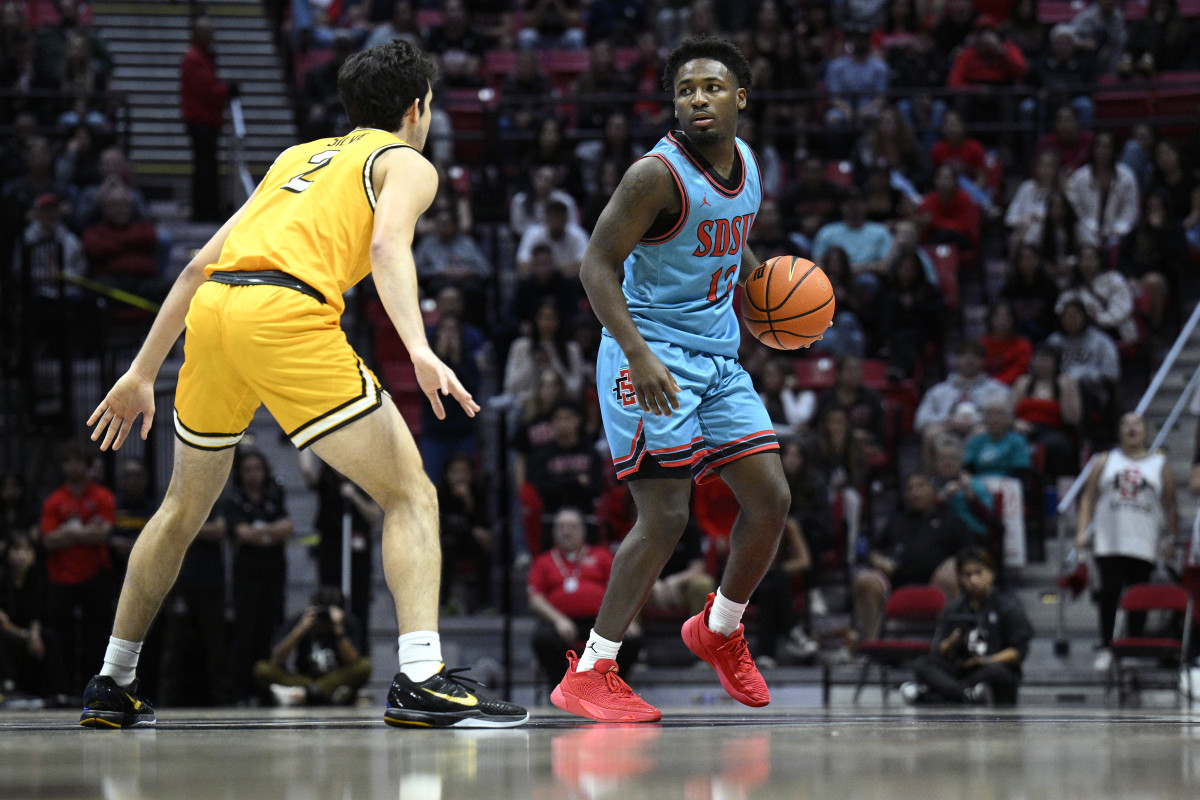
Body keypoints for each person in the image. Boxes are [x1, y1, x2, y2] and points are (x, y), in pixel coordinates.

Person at [77, 40, 527, 728]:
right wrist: (420, 348)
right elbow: (386, 249)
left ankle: (112, 680)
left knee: (180, 509)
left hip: (217, 313)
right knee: (411, 494)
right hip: (285, 314)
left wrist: (143, 370)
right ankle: (420, 676)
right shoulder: (405, 160)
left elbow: (200, 263)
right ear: (418, 108)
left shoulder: (296, 157)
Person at [552, 36, 789, 723]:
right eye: (686, 90)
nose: (698, 99)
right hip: (646, 356)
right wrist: (639, 354)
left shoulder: (748, 164)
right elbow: (595, 266)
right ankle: (592, 669)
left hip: (717, 358)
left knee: (771, 498)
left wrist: (760, 282)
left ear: (740, 97)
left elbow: (728, 229)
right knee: (664, 516)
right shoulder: (653, 175)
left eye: (712, 88)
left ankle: (718, 628)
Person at [1076, 412, 1178, 674]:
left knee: (1139, 595)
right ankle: (1107, 647)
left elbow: (1170, 505)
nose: (1132, 428)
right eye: (1126, 424)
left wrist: (1171, 537)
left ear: (1145, 431)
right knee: (1109, 593)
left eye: (1137, 424)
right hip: (1110, 539)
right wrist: (1081, 531)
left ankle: (1133, 646)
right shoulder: (1105, 460)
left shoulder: (1159, 464)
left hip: (1144, 539)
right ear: (1119, 431)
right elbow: (1088, 498)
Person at [901, 547, 1034, 706]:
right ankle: (966, 694)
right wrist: (952, 641)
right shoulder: (954, 608)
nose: (973, 580)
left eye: (979, 573)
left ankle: (940, 694)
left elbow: (1018, 652)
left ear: (991, 573)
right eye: (967, 575)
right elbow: (939, 648)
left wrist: (985, 660)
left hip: (987, 666)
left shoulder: (1008, 607)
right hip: (959, 668)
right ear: (960, 577)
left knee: (999, 673)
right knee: (921, 664)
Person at [528, 508, 641, 692]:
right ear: (554, 532)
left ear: (582, 531)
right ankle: (564, 689)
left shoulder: (601, 556)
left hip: (600, 622)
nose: (566, 532)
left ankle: (609, 689)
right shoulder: (543, 561)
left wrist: (625, 620)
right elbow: (535, 598)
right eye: (561, 527)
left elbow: (621, 589)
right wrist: (558, 620)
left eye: (572, 527)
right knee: (542, 639)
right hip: (561, 624)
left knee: (631, 639)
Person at [852, 472, 968, 640]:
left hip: (936, 580)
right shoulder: (898, 520)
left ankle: (953, 642)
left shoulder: (949, 518)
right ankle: (872, 645)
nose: (915, 492)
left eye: (921, 486)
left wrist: (952, 563)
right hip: (895, 579)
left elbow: (970, 552)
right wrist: (878, 559)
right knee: (864, 580)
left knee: (951, 578)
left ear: (933, 490)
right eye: (910, 488)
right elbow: (871, 549)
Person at [40, 439, 115, 695]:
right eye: (68, 462)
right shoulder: (54, 500)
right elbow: (49, 540)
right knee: (63, 638)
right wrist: (85, 531)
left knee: (96, 637)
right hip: (62, 578)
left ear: (87, 465)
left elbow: (102, 534)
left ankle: (95, 689)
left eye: (77, 461)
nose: (72, 467)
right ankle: (64, 691)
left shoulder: (102, 496)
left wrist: (69, 532)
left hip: (94, 576)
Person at [253, 587, 372, 707]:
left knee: (364, 666)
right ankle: (322, 693)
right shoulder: (301, 620)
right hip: (305, 678)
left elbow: (353, 661)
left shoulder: (348, 622)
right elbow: (276, 660)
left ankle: (304, 694)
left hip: (336, 677)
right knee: (262, 669)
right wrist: (300, 629)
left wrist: (339, 629)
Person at [179, 16, 231, 223]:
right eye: (208, 32)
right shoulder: (194, 58)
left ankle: (207, 209)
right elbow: (206, 89)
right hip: (201, 120)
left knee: (206, 167)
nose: (212, 36)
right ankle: (205, 211)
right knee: (204, 168)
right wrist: (227, 91)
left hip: (206, 119)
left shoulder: (201, 56)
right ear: (199, 34)